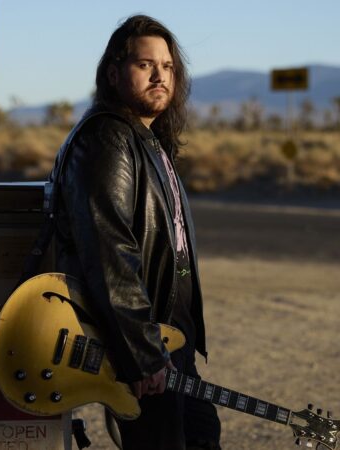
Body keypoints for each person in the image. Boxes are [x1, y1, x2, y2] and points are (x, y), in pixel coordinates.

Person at [48, 15, 221, 450]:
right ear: (113, 72)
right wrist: (143, 354)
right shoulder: (108, 138)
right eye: (146, 65)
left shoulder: (147, 141)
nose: (161, 75)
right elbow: (109, 254)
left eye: (168, 66)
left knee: (201, 434)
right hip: (146, 345)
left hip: (168, 340)